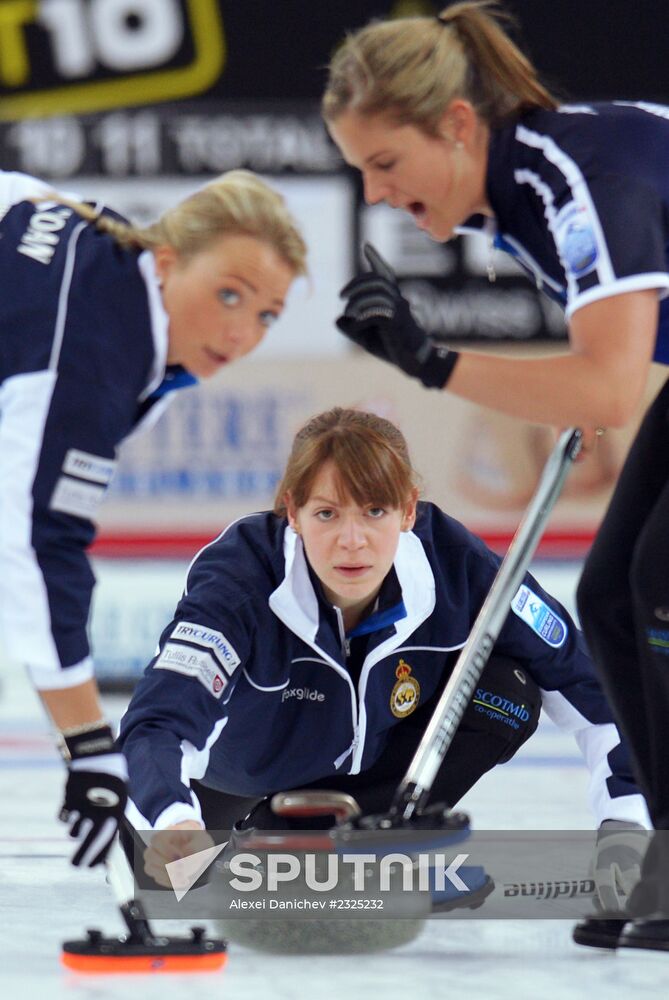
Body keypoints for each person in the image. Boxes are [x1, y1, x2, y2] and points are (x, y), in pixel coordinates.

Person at [322, 0, 669, 950]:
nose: (379, 194)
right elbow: (619, 367)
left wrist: (430, 360)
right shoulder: (513, 196)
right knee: (607, 599)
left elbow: (605, 388)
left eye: (386, 165)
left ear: (458, 126)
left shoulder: (570, 176)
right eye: (360, 175)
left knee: (657, 585)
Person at [119, 407, 648, 917]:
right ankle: (272, 846)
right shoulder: (239, 582)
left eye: (375, 511)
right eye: (327, 513)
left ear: (409, 510)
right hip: (229, 781)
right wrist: (172, 816)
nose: (353, 542)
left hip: (360, 784)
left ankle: (357, 845)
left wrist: (626, 822)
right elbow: (158, 724)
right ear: (292, 512)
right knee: (164, 876)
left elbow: (591, 688)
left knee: (508, 688)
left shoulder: (459, 569)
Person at [0, 168, 306, 870]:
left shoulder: (118, 270)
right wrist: (86, 745)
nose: (240, 332)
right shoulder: (89, 360)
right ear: (167, 261)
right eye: (228, 294)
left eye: (266, 315)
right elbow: (38, 546)